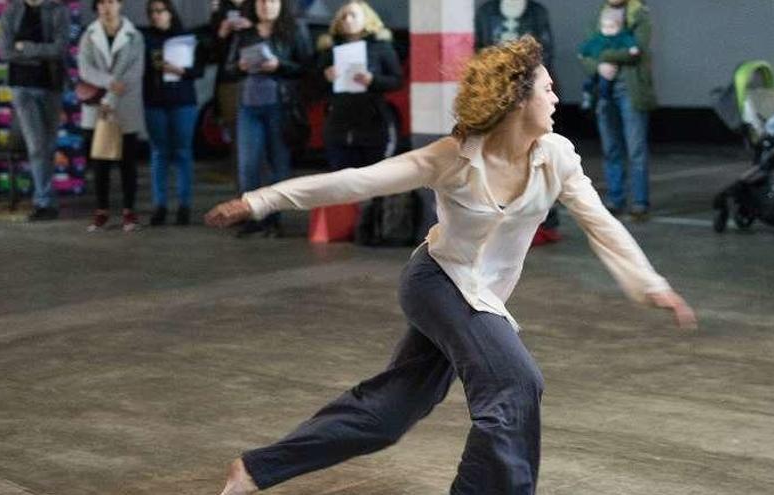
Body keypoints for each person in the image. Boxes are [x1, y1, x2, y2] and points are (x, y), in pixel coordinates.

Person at [205, 35, 697, 495]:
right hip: (437, 283)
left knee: (389, 414)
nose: (555, 99)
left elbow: (601, 224)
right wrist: (260, 200)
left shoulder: (557, 157)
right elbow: (355, 182)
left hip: (483, 296)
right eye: (547, 89)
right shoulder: (453, 158)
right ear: (517, 98)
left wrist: (651, 284)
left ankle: (255, 469)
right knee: (514, 384)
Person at [475, 0, 561, 245]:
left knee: (534, 153)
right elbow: (480, 51)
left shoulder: (537, 12)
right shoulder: (486, 12)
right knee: (497, 154)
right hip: (495, 94)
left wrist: (538, 91)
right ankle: (499, 218)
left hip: (528, 95)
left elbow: (547, 53)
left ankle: (542, 220)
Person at [231, 0, 311, 237]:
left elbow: (306, 66)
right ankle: (252, 218)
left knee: (279, 164)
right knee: (248, 166)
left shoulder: (294, 31)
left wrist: (279, 65)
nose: (266, 5)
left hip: (280, 105)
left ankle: (274, 219)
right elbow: (228, 68)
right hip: (248, 106)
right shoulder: (245, 33)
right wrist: (240, 66)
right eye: (261, 1)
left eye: (272, 1)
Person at [579, 0, 655, 221]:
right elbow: (585, 53)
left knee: (636, 148)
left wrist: (603, 57)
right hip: (604, 91)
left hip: (630, 90)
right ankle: (615, 199)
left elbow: (636, 50)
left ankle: (640, 202)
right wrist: (599, 68)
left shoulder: (638, 14)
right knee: (611, 147)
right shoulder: (598, 15)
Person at [0, 0, 69, 222]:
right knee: (37, 146)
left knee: (48, 144)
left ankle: (48, 199)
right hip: (22, 87)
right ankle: (43, 201)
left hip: (51, 86)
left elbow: (59, 49)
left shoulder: (58, 11)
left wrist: (26, 48)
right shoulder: (11, 11)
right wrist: (40, 53)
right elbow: (5, 52)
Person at [78, 0, 145, 232]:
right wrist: (108, 84)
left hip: (124, 104)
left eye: (112, 2)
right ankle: (102, 210)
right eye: (102, 3)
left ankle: (129, 210)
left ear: (120, 5)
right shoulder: (89, 35)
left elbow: (135, 72)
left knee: (128, 161)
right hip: (96, 108)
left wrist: (112, 98)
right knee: (99, 162)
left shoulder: (134, 35)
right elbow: (85, 69)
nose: (107, 7)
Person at [142, 0, 207, 226]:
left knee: (182, 152)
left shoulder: (186, 38)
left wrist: (182, 70)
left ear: (170, 13)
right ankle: (159, 205)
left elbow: (199, 69)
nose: (156, 16)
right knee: (159, 153)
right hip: (154, 101)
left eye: (160, 11)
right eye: (152, 13)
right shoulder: (145, 38)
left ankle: (184, 205)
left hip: (182, 101)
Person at [318, 0, 402, 170]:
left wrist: (373, 80)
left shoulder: (381, 47)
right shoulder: (330, 49)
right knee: (341, 173)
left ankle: (377, 198)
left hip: (372, 120)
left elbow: (396, 80)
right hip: (338, 120)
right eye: (343, 16)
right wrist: (326, 77)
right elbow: (313, 85)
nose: (347, 20)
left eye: (353, 15)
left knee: (373, 174)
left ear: (367, 19)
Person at [210, 0, 253, 152]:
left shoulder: (257, 5)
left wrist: (250, 27)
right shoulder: (220, 7)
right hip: (229, 77)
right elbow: (212, 51)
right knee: (235, 131)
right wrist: (222, 33)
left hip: (255, 74)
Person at [577, 7, 639, 111]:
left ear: (618, 27)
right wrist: (583, 53)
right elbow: (588, 46)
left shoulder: (621, 37)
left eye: (611, 27)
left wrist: (632, 48)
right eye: (604, 27)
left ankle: (603, 101)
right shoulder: (598, 38)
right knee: (589, 82)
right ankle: (588, 96)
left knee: (604, 85)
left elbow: (629, 43)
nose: (607, 30)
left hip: (616, 74)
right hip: (598, 68)